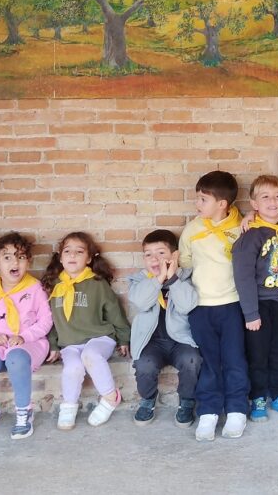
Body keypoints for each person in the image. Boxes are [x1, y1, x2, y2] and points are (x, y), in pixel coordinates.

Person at [178, 170, 250, 442]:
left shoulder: (242, 226)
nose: (197, 204)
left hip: (232, 305)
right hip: (201, 307)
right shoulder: (192, 229)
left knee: (234, 359)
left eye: (203, 199)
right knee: (209, 361)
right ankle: (208, 411)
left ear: (222, 204)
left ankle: (236, 410)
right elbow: (185, 263)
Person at [0, 232, 52, 441]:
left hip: (29, 343)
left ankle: (24, 410)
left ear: (28, 262)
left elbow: (45, 321)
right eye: (7, 257)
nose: (15, 262)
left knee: (16, 357)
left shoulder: (35, 289)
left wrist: (25, 336)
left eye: (21, 257)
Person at [43, 231, 130, 430]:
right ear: (60, 257)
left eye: (79, 251)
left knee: (90, 355)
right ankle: (69, 406)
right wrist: (53, 345)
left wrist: (124, 339)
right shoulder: (55, 286)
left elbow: (115, 313)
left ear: (89, 259)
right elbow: (52, 321)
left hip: (99, 338)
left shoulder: (97, 284)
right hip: (70, 343)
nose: (72, 255)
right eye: (67, 251)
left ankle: (110, 397)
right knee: (72, 368)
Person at [233, 175, 278, 423]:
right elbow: (243, 277)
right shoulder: (251, 235)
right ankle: (258, 397)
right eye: (265, 197)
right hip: (258, 305)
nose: (272, 201)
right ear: (254, 203)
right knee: (258, 354)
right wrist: (251, 313)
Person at [128, 229, 201, 428]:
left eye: (161, 253)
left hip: (181, 340)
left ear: (174, 256)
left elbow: (187, 305)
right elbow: (142, 303)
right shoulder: (139, 280)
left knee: (192, 360)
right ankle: (147, 399)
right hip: (151, 342)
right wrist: (159, 278)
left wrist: (172, 279)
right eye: (148, 254)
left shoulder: (185, 278)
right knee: (144, 365)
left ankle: (187, 401)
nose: (154, 259)